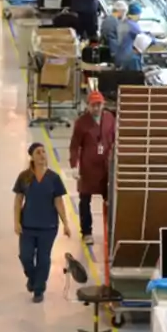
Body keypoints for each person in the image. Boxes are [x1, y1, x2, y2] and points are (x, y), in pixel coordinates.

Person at [13, 143, 72, 302]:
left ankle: (39, 289)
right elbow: (18, 201)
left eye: (43, 152)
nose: (42, 155)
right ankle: (32, 278)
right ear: (32, 157)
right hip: (28, 226)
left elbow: (58, 202)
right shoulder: (24, 177)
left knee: (43, 258)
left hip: (48, 227)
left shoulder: (54, 178)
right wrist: (16, 222)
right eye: (38, 152)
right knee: (25, 256)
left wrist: (65, 223)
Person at [69, 90, 115, 245]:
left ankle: (111, 231)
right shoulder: (81, 123)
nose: (96, 108)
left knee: (110, 201)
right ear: (88, 105)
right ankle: (86, 232)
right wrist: (74, 165)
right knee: (85, 201)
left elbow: (115, 139)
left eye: (99, 105)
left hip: (106, 169)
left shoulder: (109, 119)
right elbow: (74, 146)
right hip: (88, 170)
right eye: (93, 105)